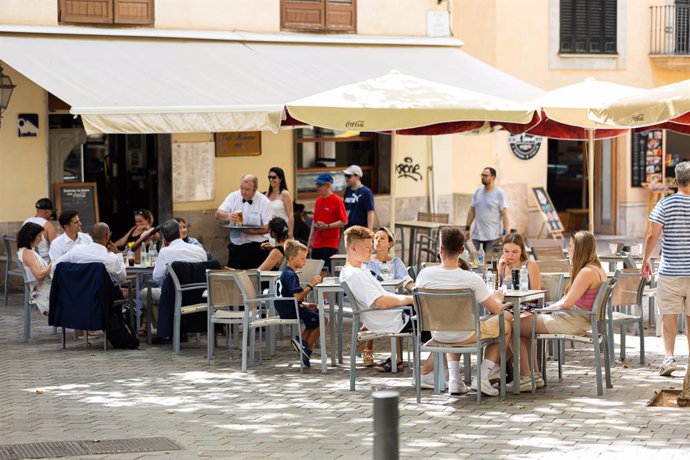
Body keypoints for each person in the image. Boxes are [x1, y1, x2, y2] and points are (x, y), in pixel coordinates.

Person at [415, 226, 513, 396]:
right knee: (505, 325)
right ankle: (482, 377)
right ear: (461, 251)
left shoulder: (424, 275)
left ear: (440, 249)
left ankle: (455, 380)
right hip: (465, 333)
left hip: (438, 333)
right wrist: (498, 297)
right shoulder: (471, 279)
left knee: (453, 322)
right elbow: (495, 309)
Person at [520, 230, 607, 386]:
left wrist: (543, 310)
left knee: (516, 324)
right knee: (522, 325)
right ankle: (532, 376)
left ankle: (527, 377)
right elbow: (568, 301)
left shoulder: (586, 272)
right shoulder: (597, 269)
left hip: (573, 321)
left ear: (579, 249)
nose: (568, 249)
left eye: (571, 245)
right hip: (578, 319)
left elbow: (566, 304)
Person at [339, 226, 415, 372]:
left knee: (443, 324)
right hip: (396, 318)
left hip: (396, 314)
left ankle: (433, 370)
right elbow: (382, 302)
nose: (371, 250)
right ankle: (436, 372)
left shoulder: (356, 270)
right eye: (368, 246)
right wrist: (411, 300)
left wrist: (409, 299)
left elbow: (384, 298)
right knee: (444, 329)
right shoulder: (356, 274)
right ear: (354, 248)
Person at [644, 161, 690, 376]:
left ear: (675, 181)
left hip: (670, 270)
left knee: (669, 315)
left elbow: (653, 235)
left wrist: (646, 259)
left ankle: (669, 357)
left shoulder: (665, 204)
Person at [496, 232, 542, 389]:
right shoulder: (502, 266)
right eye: (506, 251)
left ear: (522, 250)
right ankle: (533, 374)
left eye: (515, 251)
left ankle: (522, 374)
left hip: (529, 306)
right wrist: (499, 271)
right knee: (505, 319)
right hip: (509, 306)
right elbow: (498, 293)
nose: (510, 255)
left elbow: (536, 293)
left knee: (509, 322)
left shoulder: (530, 265)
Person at [275, 240, 323, 367]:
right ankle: (306, 350)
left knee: (315, 317)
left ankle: (301, 343)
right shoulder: (290, 275)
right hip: (290, 309)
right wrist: (311, 284)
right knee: (323, 320)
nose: (305, 261)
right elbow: (297, 297)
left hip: (286, 307)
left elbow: (290, 296)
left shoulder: (285, 273)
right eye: (302, 258)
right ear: (291, 258)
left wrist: (306, 304)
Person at [216, 174, 273, 269]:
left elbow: (269, 227)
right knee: (235, 280)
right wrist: (228, 216)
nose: (243, 192)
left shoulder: (264, 202)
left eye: (247, 189)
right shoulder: (233, 196)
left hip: (257, 248)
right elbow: (218, 213)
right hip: (236, 248)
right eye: (242, 188)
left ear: (255, 189)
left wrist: (252, 232)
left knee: (255, 281)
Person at [52, 222, 127, 284]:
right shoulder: (110, 258)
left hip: (76, 296)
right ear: (107, 235)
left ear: (90, 235)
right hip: (101, 299)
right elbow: (122, 278)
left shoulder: (76, 250)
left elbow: (55, 266)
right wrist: (117, 254)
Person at [464, 167, 509, 254]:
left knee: (489, 263)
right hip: (477, 236)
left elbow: (505, 214)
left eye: (485, 175)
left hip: (492, 237)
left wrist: (504, 233)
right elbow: (472, 211)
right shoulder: (477, 191)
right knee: (475, 262)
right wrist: (467, 228)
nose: (483, 177)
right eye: (482, 175)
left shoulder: (499, 193)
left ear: (493, 178)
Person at [308, 174, 347, 266]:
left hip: (330, 243)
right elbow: (314, 221)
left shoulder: (337, 201)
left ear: (328, 185)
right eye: (317, 185)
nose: (318, 187)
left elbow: (344, 221)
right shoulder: (318, 200)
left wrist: (328, 226)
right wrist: (310, 238)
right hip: (316, 243)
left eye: (320, 185)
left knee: (326, 270)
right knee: (315, 271)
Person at [16, 222, 53, 315]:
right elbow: (39, 276)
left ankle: (84, 327)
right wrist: (53, 262)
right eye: (39, 236)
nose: (41, 239)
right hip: (43, 294)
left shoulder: (27, 251)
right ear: (31, 237)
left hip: (45, 289)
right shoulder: (28, 253)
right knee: (77, 295)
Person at [364, 227, 414, 292]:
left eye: (382, 238)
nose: (378, 240)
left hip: (391, 296)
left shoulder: (395, 262)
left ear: (390, 244)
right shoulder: (366, 260)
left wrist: (417, 291)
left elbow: (405, 280)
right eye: (376, 238)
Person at [23, 198, 57, 262]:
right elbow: (56, 247)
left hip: (27, 261)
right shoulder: (48, 225)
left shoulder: (26, 222)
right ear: (46, 212)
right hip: (44, 262)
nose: (51, 214)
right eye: (51, 212)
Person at [265, 167, 295, 239]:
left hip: (282, 232)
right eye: (269, 177)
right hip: (270, 233)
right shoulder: (266, 195)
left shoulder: (285, 194)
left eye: (274, 177)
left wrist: (290, 234)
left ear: (280, 179)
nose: (271, 179)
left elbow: (290, 216)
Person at [343, 165, 375, 230]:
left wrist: (369, 231)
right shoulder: (348, 190)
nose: (346, 178)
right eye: (345, 176)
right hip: (348, 229)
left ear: (357, 176)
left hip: (361, 230)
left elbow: (370, 212)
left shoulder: (366, 192)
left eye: (349, 176)